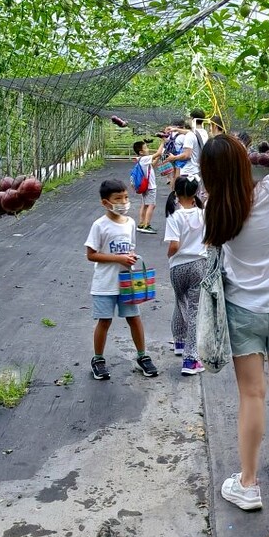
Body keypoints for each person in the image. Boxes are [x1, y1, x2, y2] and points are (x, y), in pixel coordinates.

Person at [200, 134, 269, 511]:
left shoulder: (214, 207)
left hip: (242, 310)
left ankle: (248, 485)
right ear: (245, 162)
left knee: (252, 394)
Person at [84, 179, 159, 380]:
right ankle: (98, 359)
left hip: (127, 284)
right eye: (118, 199)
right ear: (105, 202)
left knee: (134, 318)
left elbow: (130, 247)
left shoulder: (131, 223)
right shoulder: (99, 225)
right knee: (104, 321)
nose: (124, 202)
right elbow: (91, 254)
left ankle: (143, 356)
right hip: (105, 284)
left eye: (125, 197)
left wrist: (130, 256)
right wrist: (118, 258)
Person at [163, 176, 207, 376]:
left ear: (177, 192)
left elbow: (173, 246)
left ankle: (180, 342)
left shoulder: (174, 214)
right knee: (194, 310)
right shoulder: (203, 213)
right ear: (196, 192)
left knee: (179, 301)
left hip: (177, 266)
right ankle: (191, 359)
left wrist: (170, 257)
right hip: (198, 264)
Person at [131, 140, 157, 234]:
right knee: (152, 205)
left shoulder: (142, 160)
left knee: (145, 204)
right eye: (145, 147)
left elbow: (153, 165)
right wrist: (163, 142)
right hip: (150, 186)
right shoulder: (145, 158)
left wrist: (158, 157)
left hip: (145, 186)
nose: (148, 149)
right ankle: (147, 225)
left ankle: (141, 223)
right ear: (141, 152)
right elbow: (157, 153)